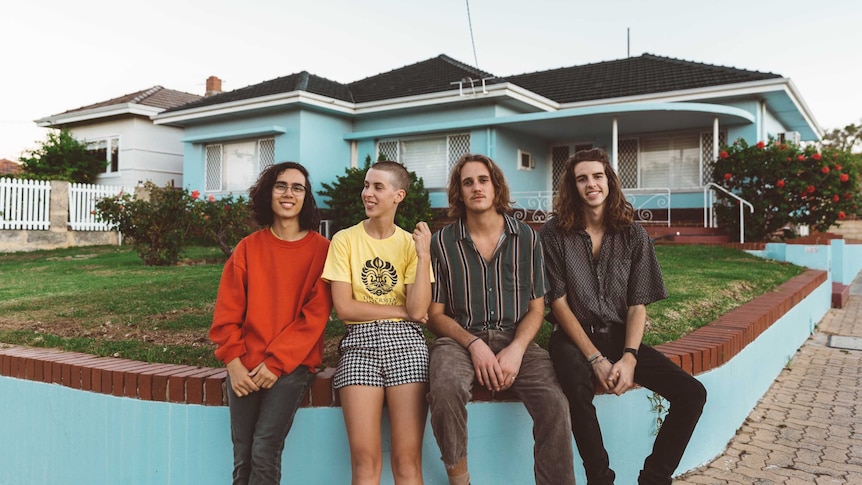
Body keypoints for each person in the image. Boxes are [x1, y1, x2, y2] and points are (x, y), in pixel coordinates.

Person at [541, 148, 707, 485]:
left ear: (609, 181)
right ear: (573, 187)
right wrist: (595, 359)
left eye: (597, 176)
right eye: (582, 178)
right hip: (573, 337)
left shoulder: (633, 235)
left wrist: (629, 357)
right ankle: (600, 479)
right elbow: (557, 304)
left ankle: (654, 478)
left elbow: (637, 304)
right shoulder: (554, 233)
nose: (591, 184)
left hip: (618, 335)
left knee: (692, 394)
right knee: (575, 387)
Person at [426, 153, 576, 485]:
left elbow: (537, 309)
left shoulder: (527, 238)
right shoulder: (442, 243)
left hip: (516, 336)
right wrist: (474, 344)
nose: (476, 188)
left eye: (483, 180)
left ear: (496, 187)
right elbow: (434, 316)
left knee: (555, 403)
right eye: (468, 182)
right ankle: (459, 478)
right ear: (458, 192)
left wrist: (518, 349)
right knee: (446, 388)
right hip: (459, 339)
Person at [209, 161, 333, 485]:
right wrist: (233, 363)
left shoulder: (323, 251)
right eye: (281, 186)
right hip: (245, 365)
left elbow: (315, 317)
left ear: (306, 197)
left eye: (297, 187)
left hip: (293, 366)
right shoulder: (248, 248)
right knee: (243, 455)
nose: (288, 193)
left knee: (264, 449)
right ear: (269, 193)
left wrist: (276, 363)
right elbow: (227, 315)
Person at [321, 161, 432, 485]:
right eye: (366, 186)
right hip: (359, 347)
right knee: (365, 463)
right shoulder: (344, 240)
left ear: (398, 195)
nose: (367, 193)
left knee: (407, 461)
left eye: (377, 187)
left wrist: (424, 256)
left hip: (407, 346)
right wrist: (402, 311)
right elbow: (344, 308)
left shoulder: (412, 245)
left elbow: (420, 306)